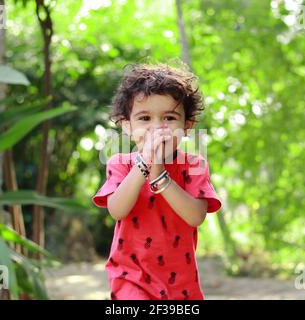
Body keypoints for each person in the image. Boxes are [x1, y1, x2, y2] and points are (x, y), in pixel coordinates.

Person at [92, 63, 222, 300]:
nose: (157, 128)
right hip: (131, 276)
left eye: (169, 118)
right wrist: (144, 164)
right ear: (128, 127)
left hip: (180, 282)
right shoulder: (120, 163)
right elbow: (117, 210)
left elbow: (196, 216)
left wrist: (160, 175)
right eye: (144, 118)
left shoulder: (194, 165)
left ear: (187, 127)